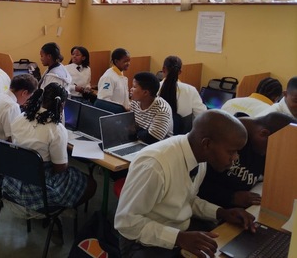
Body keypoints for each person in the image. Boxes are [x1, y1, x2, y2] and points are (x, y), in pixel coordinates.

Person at [115, 109, 256, 258]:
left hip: (178, 229)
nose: (235, 158)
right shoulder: (154, 165)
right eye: (231, 152)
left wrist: (221, 212)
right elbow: (127, 222)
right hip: (141, 241)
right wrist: (178, 238)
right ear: (207, 144)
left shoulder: (199, 156)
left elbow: (187, 200)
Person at [2, 82, 97, 214]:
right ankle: (60, 210)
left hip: (14, 180)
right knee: (91, 184)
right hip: (39, 187)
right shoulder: (56, 129)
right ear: (62, 105)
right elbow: (60, 168)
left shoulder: (19, 118)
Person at [198, 112, 296, 209]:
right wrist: (231, 197)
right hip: (208, 210)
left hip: (238, 210)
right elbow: (197, 185)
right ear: (263, 134)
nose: (269, 154)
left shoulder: (259, 144)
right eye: (272, 149)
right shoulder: (223, 137)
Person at [0, 73, 38, 178]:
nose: (27, 101)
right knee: (36, 159)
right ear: (24, 93)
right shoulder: (12, 106)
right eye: (29, 96)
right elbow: (13, 141)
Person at [158, 56, 206, 134]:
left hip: (157, 136)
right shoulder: (190, 90)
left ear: (163, 69)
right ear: (180, 72)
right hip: (181, 138)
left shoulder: (154, 88)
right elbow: (202, 116)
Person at [130, 72, 173, 144]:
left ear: (145, 92)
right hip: (138, 143)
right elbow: (129, 128)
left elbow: (152, 139)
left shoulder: (162, 109)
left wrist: (136, 129)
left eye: (134, 87)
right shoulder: (135, 102)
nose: (131, 89)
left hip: (159, 148)